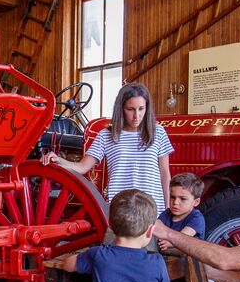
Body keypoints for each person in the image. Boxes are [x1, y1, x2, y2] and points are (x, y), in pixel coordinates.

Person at [42, 83, 174, 212]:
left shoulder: (158, 132)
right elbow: (82, 167)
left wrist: (167, 210)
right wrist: (58, 159)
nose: (136, 116)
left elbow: (165, 174)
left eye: (141, 109)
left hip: (153, 210)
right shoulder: (106, 135)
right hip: (121, 211)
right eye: (130, 109)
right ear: (121, 108)